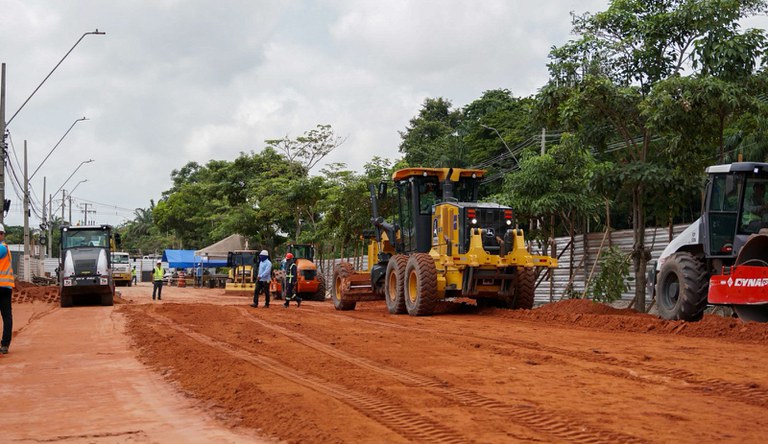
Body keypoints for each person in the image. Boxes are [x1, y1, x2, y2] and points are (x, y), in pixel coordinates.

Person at [0, 224, 14, 355]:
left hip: (3, 287)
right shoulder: (5, 247)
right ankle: (5, 344)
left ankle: (4, 344)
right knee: (7, 316)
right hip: (6, 287)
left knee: (6, 316)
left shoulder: (2, 248)